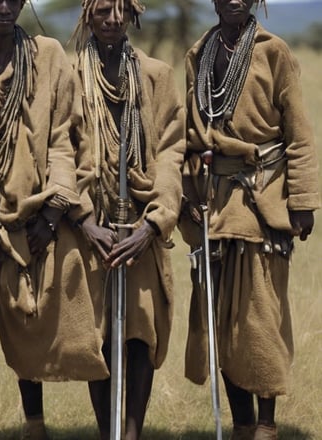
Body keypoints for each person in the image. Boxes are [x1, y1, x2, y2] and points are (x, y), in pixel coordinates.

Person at [0, 1, 109, 438]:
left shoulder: (48, 56)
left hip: (37, 218)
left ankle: (83, 427)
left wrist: (52, 215)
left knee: (60, 323)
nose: (4, 7)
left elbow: (67, 137)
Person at [180, 0, 320, 439]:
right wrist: (190, 190)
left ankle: (265, 424)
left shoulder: (274, 50)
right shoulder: (198, 53)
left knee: (259, 320)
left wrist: (302, 201)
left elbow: (299, 135)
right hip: (215, 205)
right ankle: (240, 424)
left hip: (264, 201)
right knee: (218, 319)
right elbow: (190, 130)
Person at [71, 1, 185, 439]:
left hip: (141, 225)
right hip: (92, 226)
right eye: (103, 10)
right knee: (96, 335)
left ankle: (132, 430)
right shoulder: (71, 75)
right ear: (89, 16)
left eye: (121, 10)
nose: (113, 19)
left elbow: (173, 151)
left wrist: (154, 223)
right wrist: (83, 220)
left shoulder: (157, 75)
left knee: (140, 332)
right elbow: (60, 145)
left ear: (132, 16)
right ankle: (106, 431)